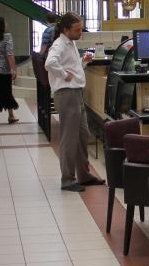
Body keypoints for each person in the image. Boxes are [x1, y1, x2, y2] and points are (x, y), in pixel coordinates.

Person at [44, 13, 105, 192]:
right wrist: (64, 75)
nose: (81, 32)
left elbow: (71, 66)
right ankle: (67, 179)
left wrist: (82, 63)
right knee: (69, 138)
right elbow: (50, 63)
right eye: (77, 30)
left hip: (75, 92)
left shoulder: (70, 43)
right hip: (66, 94)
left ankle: (84, 175)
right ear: (66, 29)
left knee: (82, 135)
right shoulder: (59, 44)